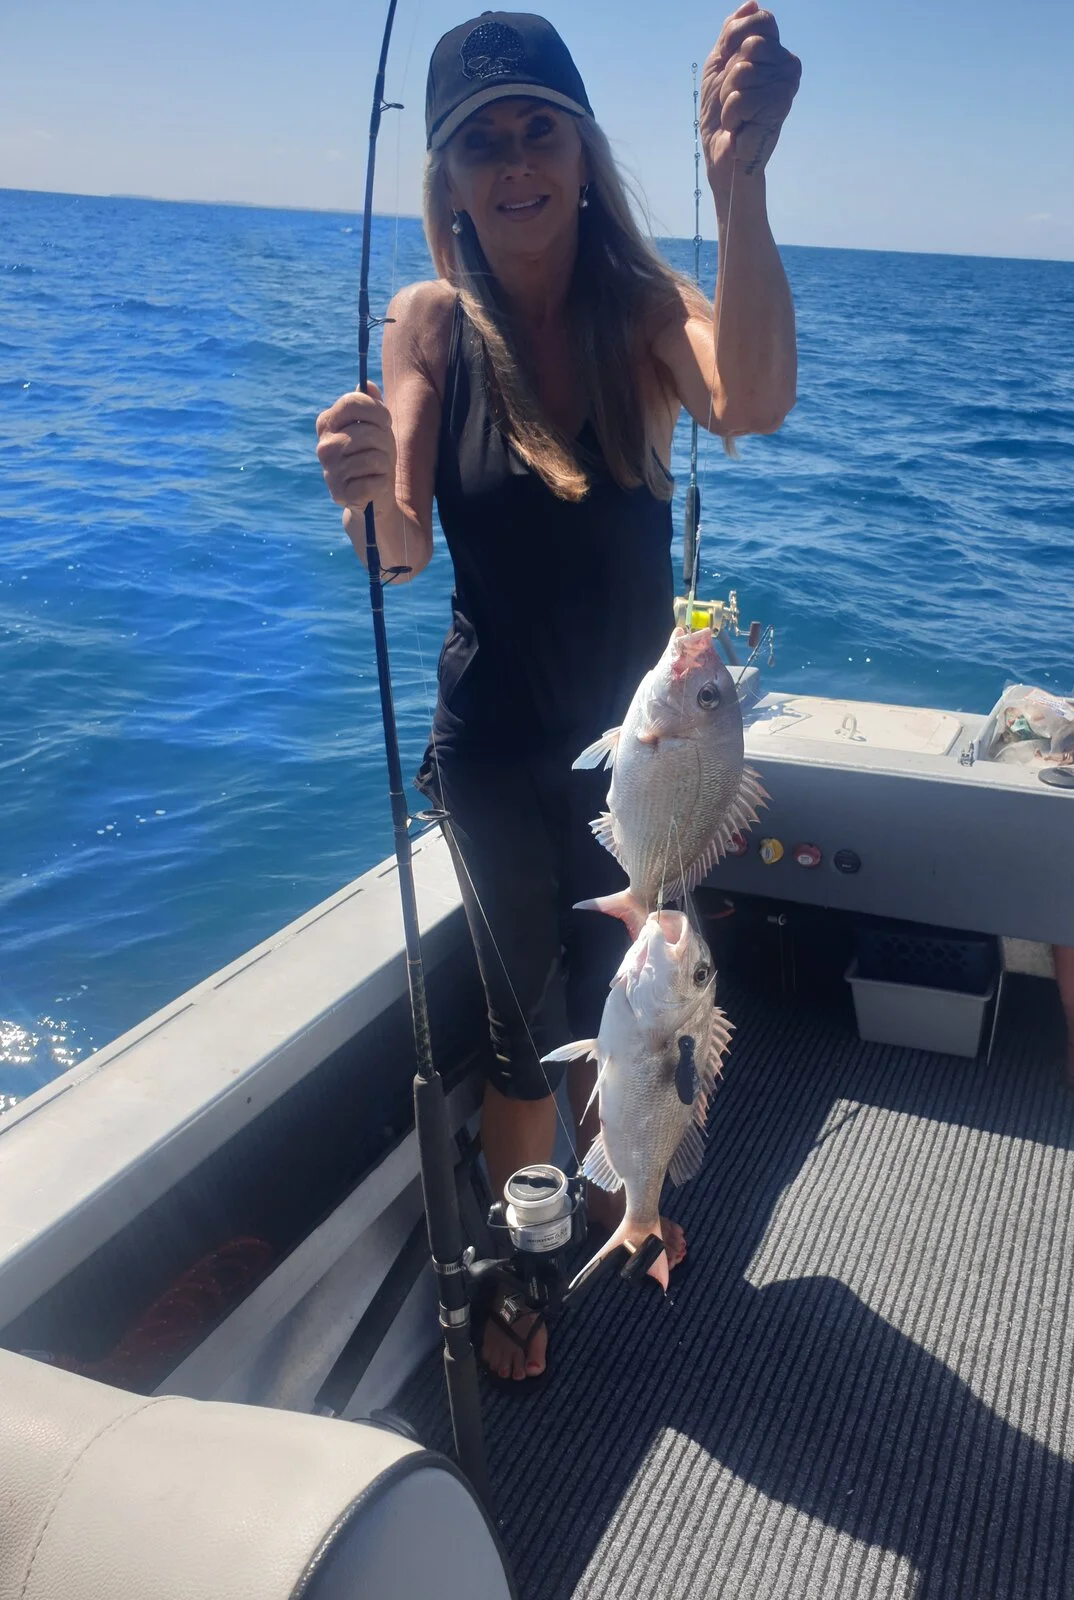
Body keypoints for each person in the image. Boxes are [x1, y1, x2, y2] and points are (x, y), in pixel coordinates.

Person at [315, 5, 800, 1382]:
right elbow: (401, 545)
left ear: (584, 154)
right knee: (522, 1024)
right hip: (492, 747)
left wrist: (738, 185)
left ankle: (620, 1198)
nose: (516, 161)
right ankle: (529, 1265)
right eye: (483, 142)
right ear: (450, 179)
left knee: (636, 997)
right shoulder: (429, 324)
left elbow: (753, 399)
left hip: (645, 755)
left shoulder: (642, 310)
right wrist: (362, 492)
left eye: (541, 130)